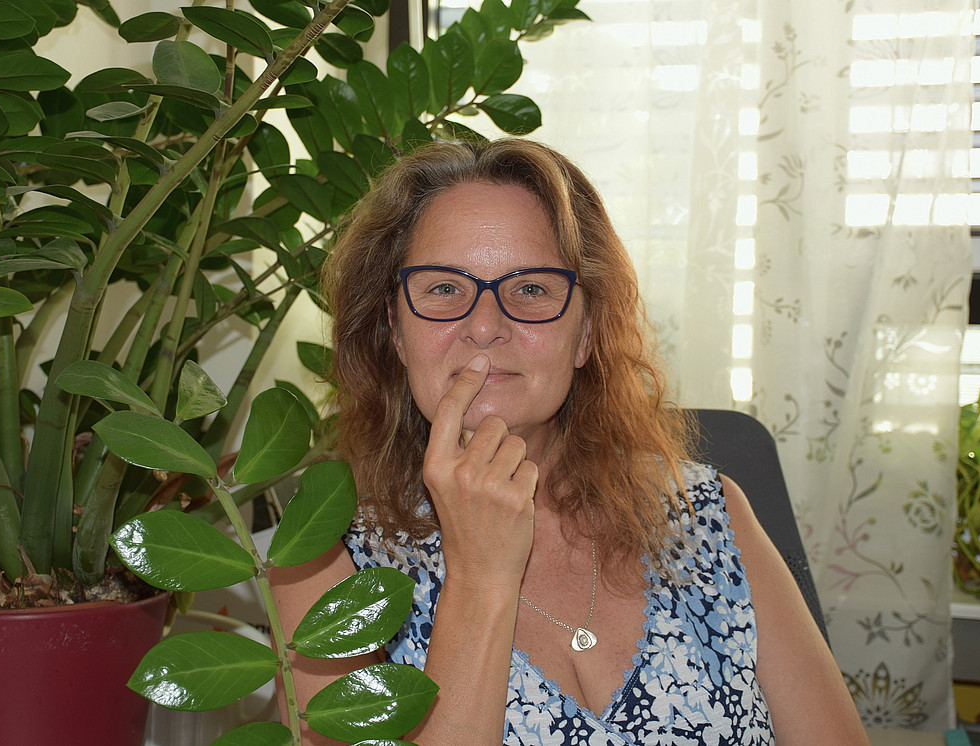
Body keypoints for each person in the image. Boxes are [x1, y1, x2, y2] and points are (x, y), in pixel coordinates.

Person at [269, 138, 869, 745]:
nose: (484, 325)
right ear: (396, 333)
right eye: (444, 288)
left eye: (530, 288)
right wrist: (479, 578)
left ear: (585, 335)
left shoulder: (708, 513)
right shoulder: (321, 561)